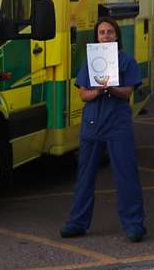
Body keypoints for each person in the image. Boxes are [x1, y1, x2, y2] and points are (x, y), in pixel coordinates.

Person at [61, 18, 147, 242]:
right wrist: (98, 91)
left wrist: (111, 87)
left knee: (126, 175)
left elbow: (128, 92)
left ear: (117, 36)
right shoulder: (91, 62)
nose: (106, 36)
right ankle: (77, 223)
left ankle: (134, 224)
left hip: (118, 124)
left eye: (110, 32)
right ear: (96, 37)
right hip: (92, 124)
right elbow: (83, 94)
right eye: (101, 32)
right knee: (84, 176)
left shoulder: (127, 61)